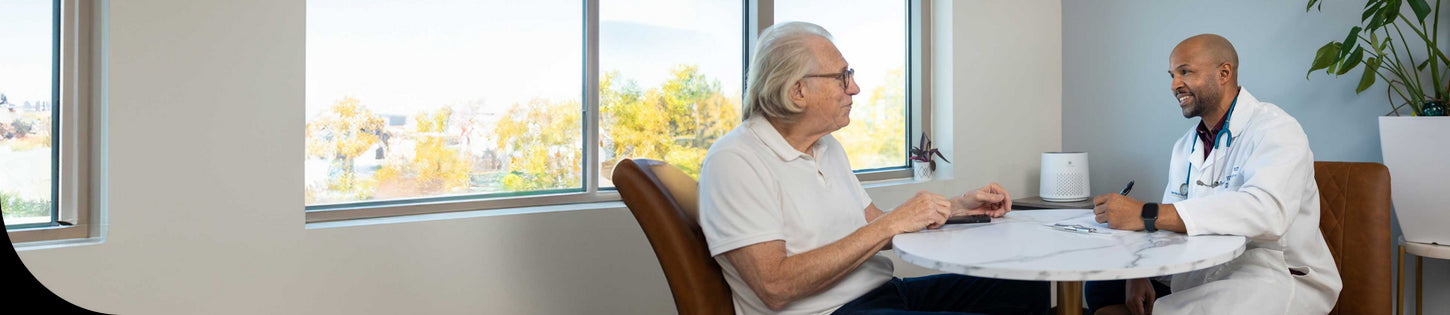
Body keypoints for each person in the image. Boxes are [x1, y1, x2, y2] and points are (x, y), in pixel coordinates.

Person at [696, 22, 1047, 315]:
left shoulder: (827, 147)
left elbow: (871, 224)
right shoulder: (735, 160)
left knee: (1028, 289)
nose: (855, 88)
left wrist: (957, 207)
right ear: (797, 91)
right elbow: (775, 285)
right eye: (842, 77)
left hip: (883, 292)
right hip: (828, 311)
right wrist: (892, 222)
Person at [1085, 34, 1342, 314]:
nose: (1174, 85)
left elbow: (1268, 212)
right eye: (1172, 75)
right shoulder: (1186, 145)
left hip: (1268, 273)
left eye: (1185, 71)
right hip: (1205, 267)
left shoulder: (1276, 129)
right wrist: (1139, 272)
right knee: (1100, 286)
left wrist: (1148, 212)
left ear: (1224, 73)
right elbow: (1170, 222)